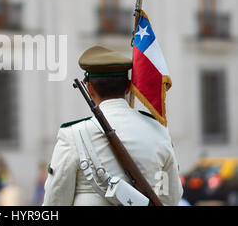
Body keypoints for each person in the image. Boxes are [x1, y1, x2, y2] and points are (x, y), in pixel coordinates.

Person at [43, 45, 183, 206]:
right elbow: (170, 196)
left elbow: (56, 198)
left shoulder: (73, 134)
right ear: (129, 87)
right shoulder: (158, 129)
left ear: (89, 88)